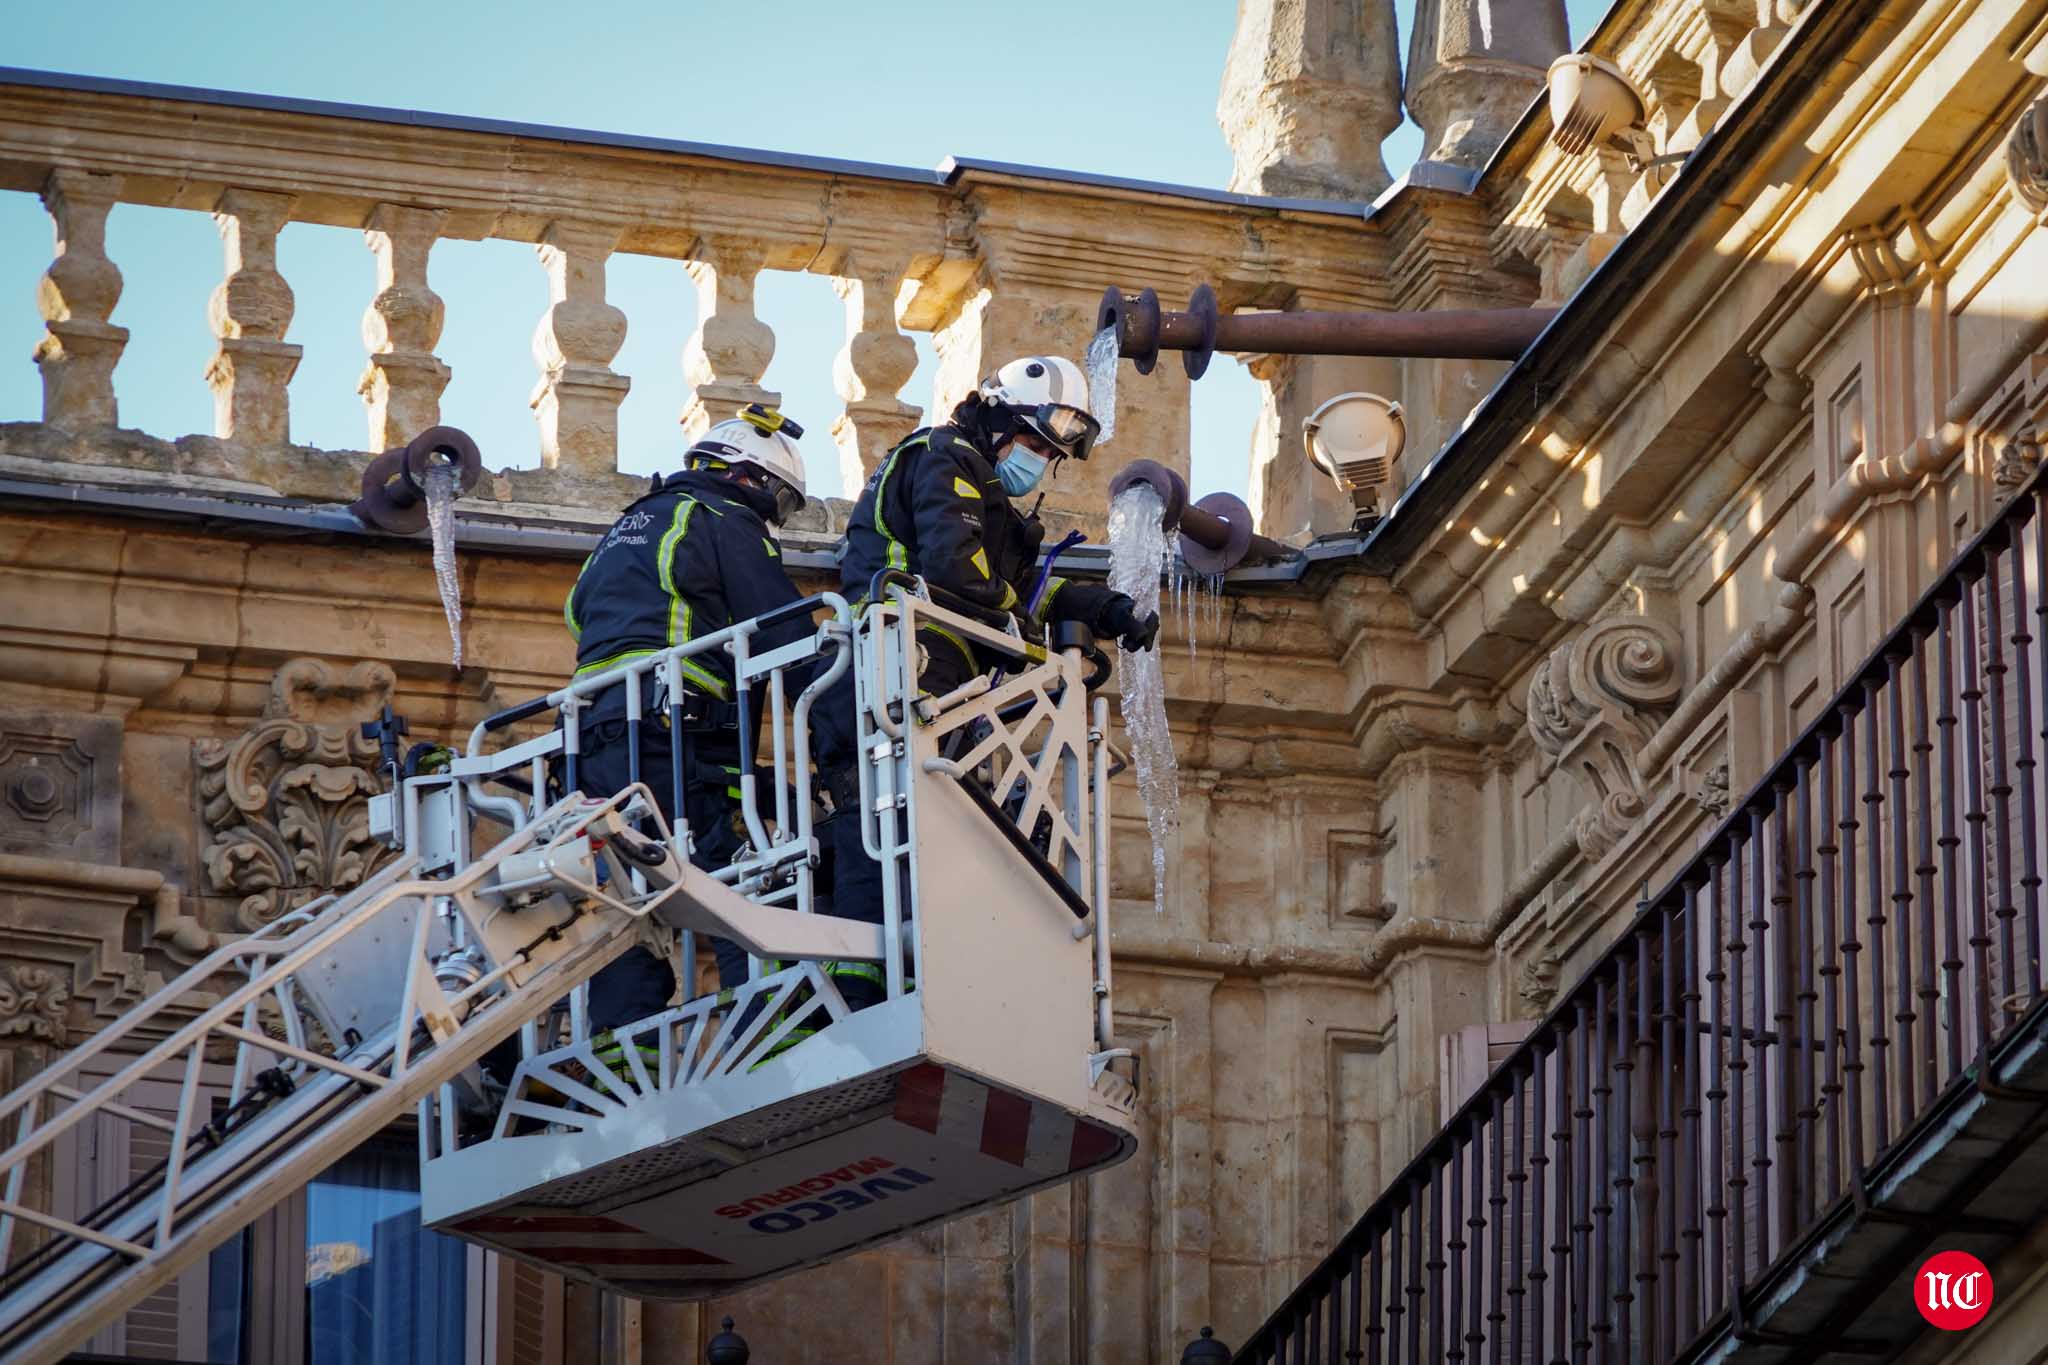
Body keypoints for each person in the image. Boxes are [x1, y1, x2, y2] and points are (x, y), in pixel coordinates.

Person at [813, 355, 1160, 1009]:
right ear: (998, 420)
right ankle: (867, 989)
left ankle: (931, 974)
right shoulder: (944, 457)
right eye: (1033, 442)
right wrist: (1031, 640)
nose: (1038, 460)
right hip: (896, 662)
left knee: (946, 824)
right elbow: (956, 571)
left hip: (937, 680)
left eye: (1049, 453)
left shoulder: (992, 499)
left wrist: (1104, 610)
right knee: (887, 816)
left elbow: (1026, 593)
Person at [563, 404, 817, 1049]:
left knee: (629, 887)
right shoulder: (724, 519)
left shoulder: (623, 532)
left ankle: (623, 1043)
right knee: (739, 865)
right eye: (779, 501)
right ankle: (769, 1021)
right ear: (748, 477)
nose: (774, 519)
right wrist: (841, 728)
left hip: (595, 739)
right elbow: (782, 626)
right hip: (677, 736)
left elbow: (578, 616)